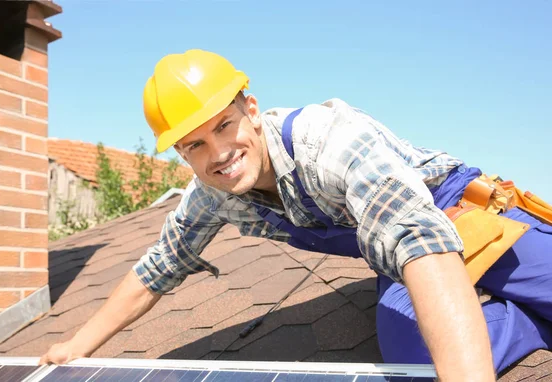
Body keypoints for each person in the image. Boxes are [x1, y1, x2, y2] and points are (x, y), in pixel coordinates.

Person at [39, 49, 552, 381]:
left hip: (458, 211)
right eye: (195, 144)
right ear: (182, 154)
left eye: (224, 126)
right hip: (394, 257)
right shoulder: (212, 194)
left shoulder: (326, 140)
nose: (217, 153)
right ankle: (528, 320)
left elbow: (416, 240)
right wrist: (76, 345)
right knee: (415, 358)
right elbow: (159, 267)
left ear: (252, 109)